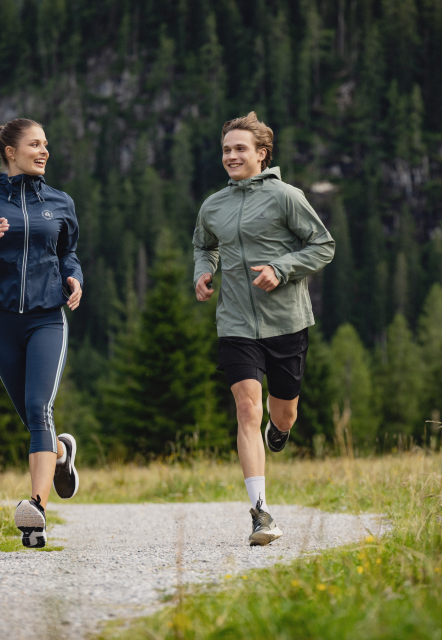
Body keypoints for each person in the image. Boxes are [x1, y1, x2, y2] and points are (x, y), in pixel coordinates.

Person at [193, 112, 335, 546]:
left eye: (240, 149)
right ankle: (260, 513)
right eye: (226, 150)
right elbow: (204, 244)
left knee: (282, 413)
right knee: (246, 409)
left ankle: (282, 428)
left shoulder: (286, 197)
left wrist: (281, 268)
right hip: (235, 322)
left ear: (262, 154)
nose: (231, 156)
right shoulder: (213, 205)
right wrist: (203, 271)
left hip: (286, 321)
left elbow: (323, 245)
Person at [0, 118, 83, 549]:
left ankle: (36, 510)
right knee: (31, 416)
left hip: (47, 318)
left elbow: (68, 253)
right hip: (0, 322)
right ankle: (60, 453)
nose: (44, 151)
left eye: (46, 144)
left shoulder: (59, 202)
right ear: (11, 152)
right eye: (35, 144)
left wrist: (75, 278)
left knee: (38, 408)